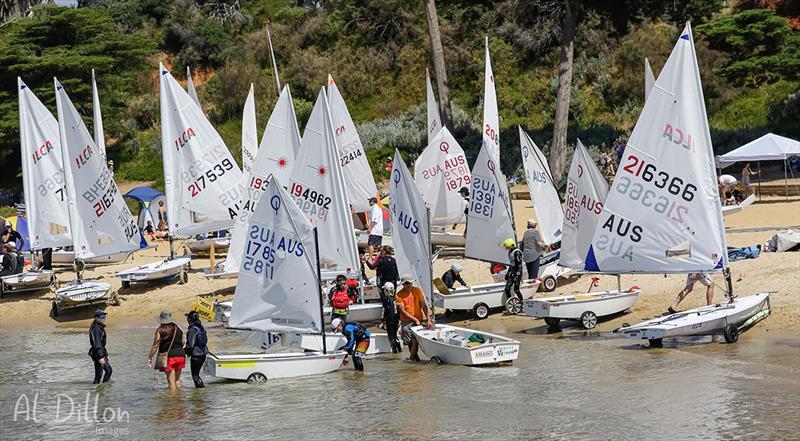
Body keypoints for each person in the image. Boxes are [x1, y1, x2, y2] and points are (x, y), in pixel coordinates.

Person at [395, 275, 432, 362]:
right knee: (410, 342)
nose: (408, 285)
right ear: (403, 284)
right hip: (406, 321)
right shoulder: (399, 295)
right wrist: (415, 319)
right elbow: (403, 311)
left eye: (409, 283)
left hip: (419, 319)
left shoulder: (417, 290)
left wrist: (428, 318)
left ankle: (413, 359)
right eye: (406, 284)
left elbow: (423, 305)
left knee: (418, 340)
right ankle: (415, 360)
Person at [147, 311, 185, 390]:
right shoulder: (178, 327)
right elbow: (183, 341)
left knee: (171, 381)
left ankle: (171, 400)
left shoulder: (160, 330)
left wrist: (150, 357)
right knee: (177, 379)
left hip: (169, 357)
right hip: (181, 355)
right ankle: (179, 400)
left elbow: (155, 345)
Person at [184, 311, 208, 388]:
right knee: (197, 374)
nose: (187, 319)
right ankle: (201, 393)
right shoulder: (201, 327)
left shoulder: (192, 330)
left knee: (195, 376)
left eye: (187, 318)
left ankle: (200, 393)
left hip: (196, 356)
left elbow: (190, 345)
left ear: (190, 320)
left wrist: (182, 352)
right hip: (203, 354)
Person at [88, 310, 112, 384]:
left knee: (98, 375)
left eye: (104, 317)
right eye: (101, 317)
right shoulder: (97, 329)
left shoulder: (98, 327)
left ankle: (98, 391)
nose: (103, 319)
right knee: (109, 370)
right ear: (96, 318)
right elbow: (97, 343)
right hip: (98, 353)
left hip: (98, 352)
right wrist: (101, 356)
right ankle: (104, 387)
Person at [503, 238, 524, 313]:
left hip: (517, 272)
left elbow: (518, 264)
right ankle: (511, 304)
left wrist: (516, 275)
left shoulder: (517, 252)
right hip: (512, 272)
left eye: (507, 247)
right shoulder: (510, 252)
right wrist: (507, 273)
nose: (506, 248)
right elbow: (511, 264)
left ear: (511, 245)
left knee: (516, 289)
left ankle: (522, 305)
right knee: (507, 289)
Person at [380, 282, 402, 353]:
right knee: (395, 335)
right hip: (396, 319)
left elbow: (384, 311)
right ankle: (400, 350)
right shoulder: (396, 297)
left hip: (390, 319)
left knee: (391, 337)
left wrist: (382, 320)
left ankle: (394, 352)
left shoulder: (386, 299)